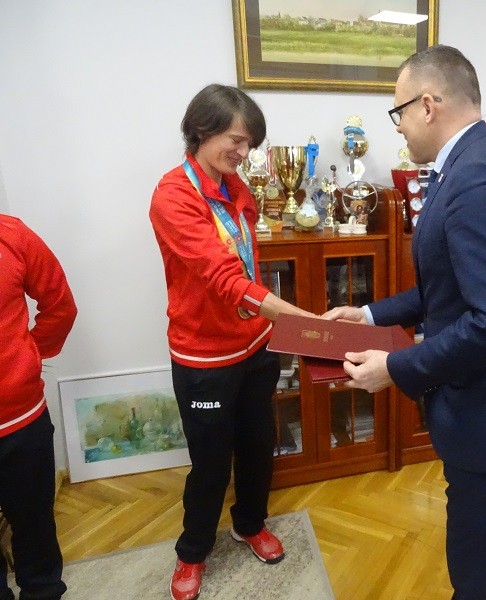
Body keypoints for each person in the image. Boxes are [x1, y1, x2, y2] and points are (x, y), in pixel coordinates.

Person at [323, 45, 486, 600]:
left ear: (428, 105)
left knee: (477, 575)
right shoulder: (473, 162)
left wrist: (395, 367)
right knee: (476, 559)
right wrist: (369, 314)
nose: (399, 126)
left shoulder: (479, 180)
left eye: (399, 112)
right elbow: (449, 287)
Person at [149, 84, 316, 600]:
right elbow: (224, 277)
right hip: (204, 356)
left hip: (256, 345)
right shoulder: (173, 196)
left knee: (258, 445)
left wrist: (282, 325)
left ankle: (250, 524)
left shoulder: (236, 187)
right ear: (202, 130)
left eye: (249, 144)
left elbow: (247, 261)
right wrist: (307, 322)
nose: (244, 154)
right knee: (211, 463)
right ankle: (193, 551)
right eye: (237, 141)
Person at [0, 215, 77, 600]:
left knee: (36, 532)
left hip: (22, 422)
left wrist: (28, 357)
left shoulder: (10, 234)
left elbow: (60, 305)